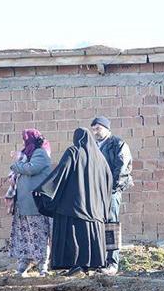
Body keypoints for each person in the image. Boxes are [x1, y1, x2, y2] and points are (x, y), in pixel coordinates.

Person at [33, 127, 112, 276]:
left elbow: (61, 172)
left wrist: (43, 189)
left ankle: (75, 265)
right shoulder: (101, 159)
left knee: (73, 234)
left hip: (74, 206)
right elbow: (108, 182)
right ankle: (89, 266)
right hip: (96, 211)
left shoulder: (74, 152)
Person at [7, 129, 53, 277]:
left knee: (38, 236)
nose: (22, 143)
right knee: (24, 236)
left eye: (24, 140)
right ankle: (23, 266)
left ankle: (42, 268)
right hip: (23, 205)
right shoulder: (27, 155)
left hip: (35, 205)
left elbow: (32, 168)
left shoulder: (40, 153)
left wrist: (15, 165)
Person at [90, 116, 133, 275]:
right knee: (97, 225)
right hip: (95, 192)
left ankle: (112, 263)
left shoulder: (117, 144)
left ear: (107, 128)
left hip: (111, 192)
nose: (95, 132)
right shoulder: (92, 146)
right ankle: (99, 261)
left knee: (111, 225)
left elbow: (122, 168)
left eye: (98, 128)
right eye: (93, 129)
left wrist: (112, 188)